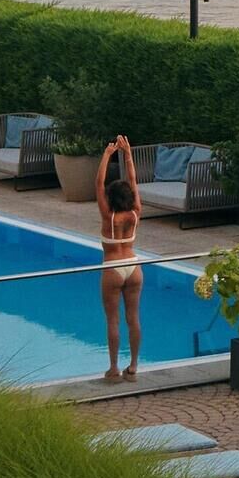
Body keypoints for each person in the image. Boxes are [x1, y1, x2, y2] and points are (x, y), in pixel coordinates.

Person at [96, 132, 143, 380]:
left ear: (111, 199)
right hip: (134, 267)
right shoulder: (136, 213)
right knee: (133, 318)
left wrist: (107, 154)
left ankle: (114, 369)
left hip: (113, 267)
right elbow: (134, 182)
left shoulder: (109, 217)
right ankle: (133, 366)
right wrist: (128, 155)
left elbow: (98, 184)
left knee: (113, 320)